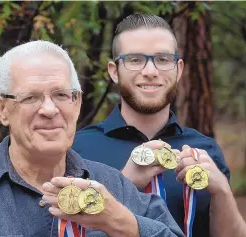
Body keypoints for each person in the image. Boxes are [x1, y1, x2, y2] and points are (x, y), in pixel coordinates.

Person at [0, 40, 184, 237]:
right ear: (2, 109)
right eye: (30, 97)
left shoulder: (114, 187)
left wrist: (122, 224)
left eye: (61, 95)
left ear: (77, 103)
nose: (49, 109)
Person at [73, 14, 246, 237]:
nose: (151, 71)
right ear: (114, 71)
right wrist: (124, 183)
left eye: (163, 59)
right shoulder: (79, 149)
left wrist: (222, 190)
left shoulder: (205, 149)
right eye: (135, 60)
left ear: (179, 69)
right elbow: (63, 230)